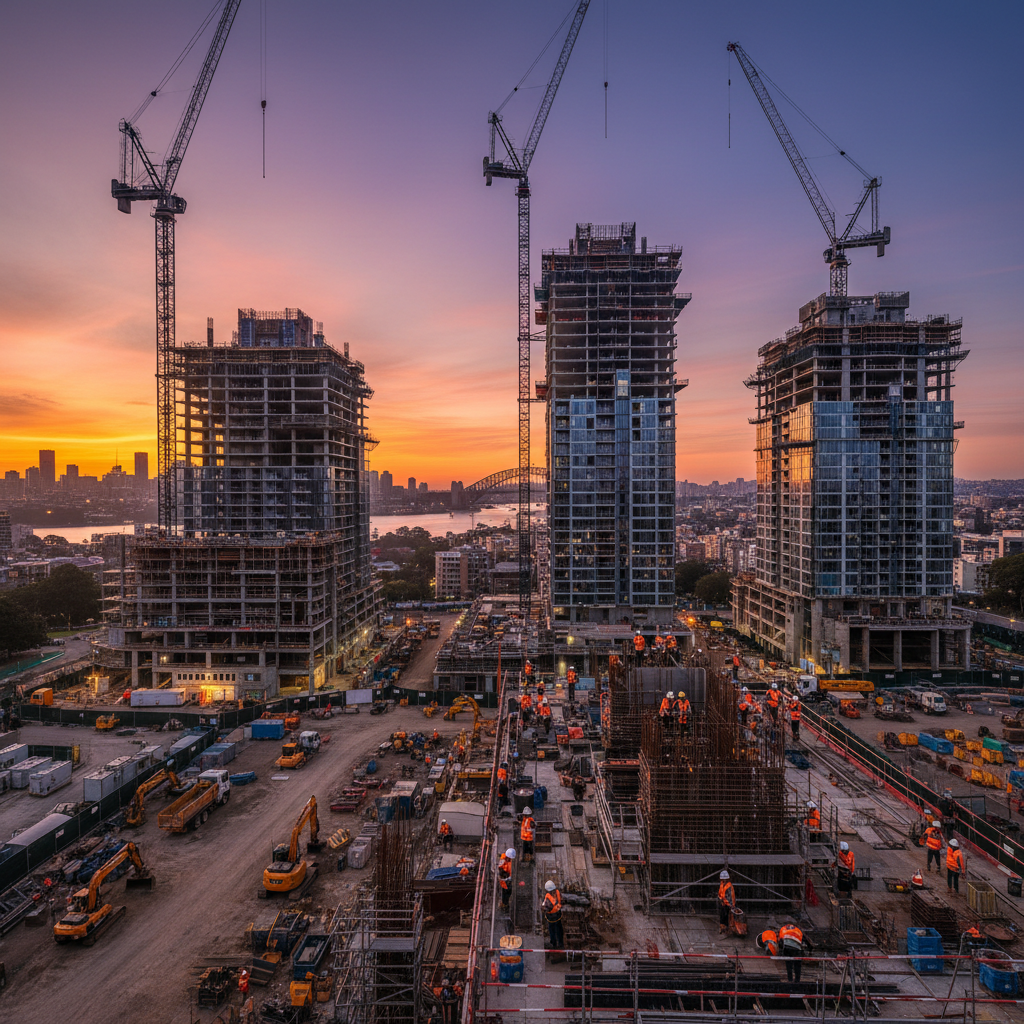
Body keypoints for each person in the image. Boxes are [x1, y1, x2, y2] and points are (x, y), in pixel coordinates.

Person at [543, 880, 564, 949]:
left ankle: (554, 944)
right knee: (559, 930)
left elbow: (545, 907)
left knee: (552, 930)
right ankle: (561, 944)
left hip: (551, 917)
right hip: (558, 915)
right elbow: (562, 900)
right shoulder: (558, 892)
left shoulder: (548, 898)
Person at [717, 870, 736, 937]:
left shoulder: (729, 886)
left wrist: (729, 905)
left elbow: (730, 897)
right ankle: (723, 928)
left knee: (726, 917)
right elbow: (720, 893)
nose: (723, 880)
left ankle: (727, 929)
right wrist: (720, 899)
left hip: (727, 905)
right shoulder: (722, 884)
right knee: (722, 916)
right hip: (723, 903)